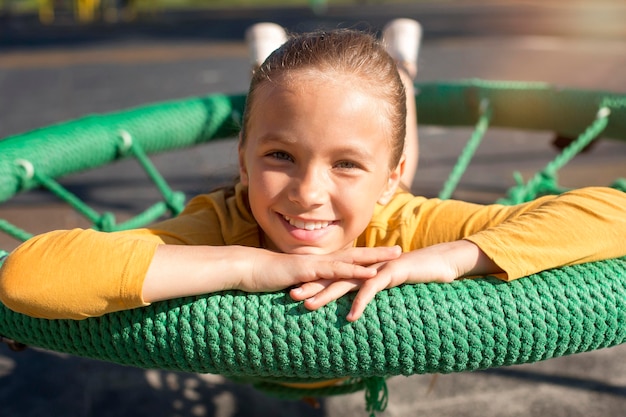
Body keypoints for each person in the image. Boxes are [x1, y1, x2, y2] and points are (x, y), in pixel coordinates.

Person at [0, 20, 625, 324]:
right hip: (327, 176)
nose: (307, 194)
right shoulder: (222, 225)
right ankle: (274, 63)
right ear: (241, 162)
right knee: (321, 107)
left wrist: (453, 256)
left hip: (397, 191)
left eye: (346, 166)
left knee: (384, 108)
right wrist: (257, 266)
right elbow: (31, 275)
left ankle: (399, 62)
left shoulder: (405, 221)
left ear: (388, 183)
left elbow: (613, 213)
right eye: (278, 157)